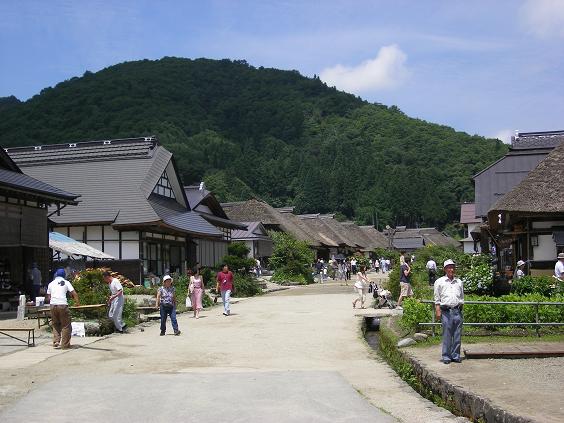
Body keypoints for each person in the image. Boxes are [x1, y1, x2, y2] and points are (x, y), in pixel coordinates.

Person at [434, 259, 464, 364]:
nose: (451, 269)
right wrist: (438, 310)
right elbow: (437, 298)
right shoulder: (439, 281)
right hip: (446, 311)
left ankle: (456, 355)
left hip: (457, 310)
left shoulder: (459, 282)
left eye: (452, 267)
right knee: (447, 334)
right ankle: (446, 356)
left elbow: (461, 297)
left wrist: (461, 307)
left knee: (457, 335)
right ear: (445, 269)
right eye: (449, 267)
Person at [46, 268, 80, 349]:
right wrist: (77, 303)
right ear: (64, 275)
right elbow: (74, 293)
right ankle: (65, 345)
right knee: (66, 325)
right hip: (62, 305)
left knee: (55, 324)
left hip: (53, 305)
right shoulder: (66, 282)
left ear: (56, 275)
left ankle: (56, 341)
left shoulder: (51, 283)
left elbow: (48, 297)